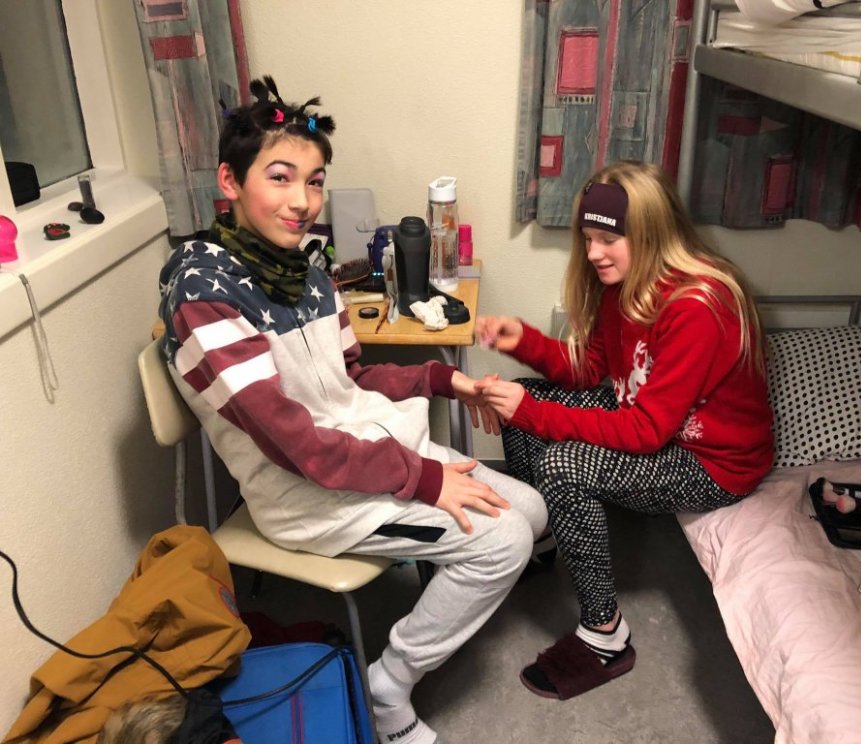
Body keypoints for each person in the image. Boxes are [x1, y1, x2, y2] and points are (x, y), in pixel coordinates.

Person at [157, 76, 547, 744]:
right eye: (280, 178)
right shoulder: (205, 294)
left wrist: (446, 381)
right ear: (229, 180)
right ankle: (389, 686)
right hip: (306, 493)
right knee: (505, 540)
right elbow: (299, 446)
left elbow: (353, 376)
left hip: (366, 447)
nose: (302, 201)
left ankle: (440, 593)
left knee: (532, 510)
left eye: (314, 182)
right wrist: (424, 478)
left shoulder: (306, 272)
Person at [475, 160, 774, 701]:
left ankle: (606, 636)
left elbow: (646, 431)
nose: (593, 253)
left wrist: (531, 412)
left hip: (711, 463)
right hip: (655, 424)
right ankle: (539, 539)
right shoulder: (625, 287)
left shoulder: (699, 306)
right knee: (527, 403)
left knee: (561, 465)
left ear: (651, 234)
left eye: (608, 239)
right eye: (588, 238)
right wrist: (525, 342)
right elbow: (593, 371)